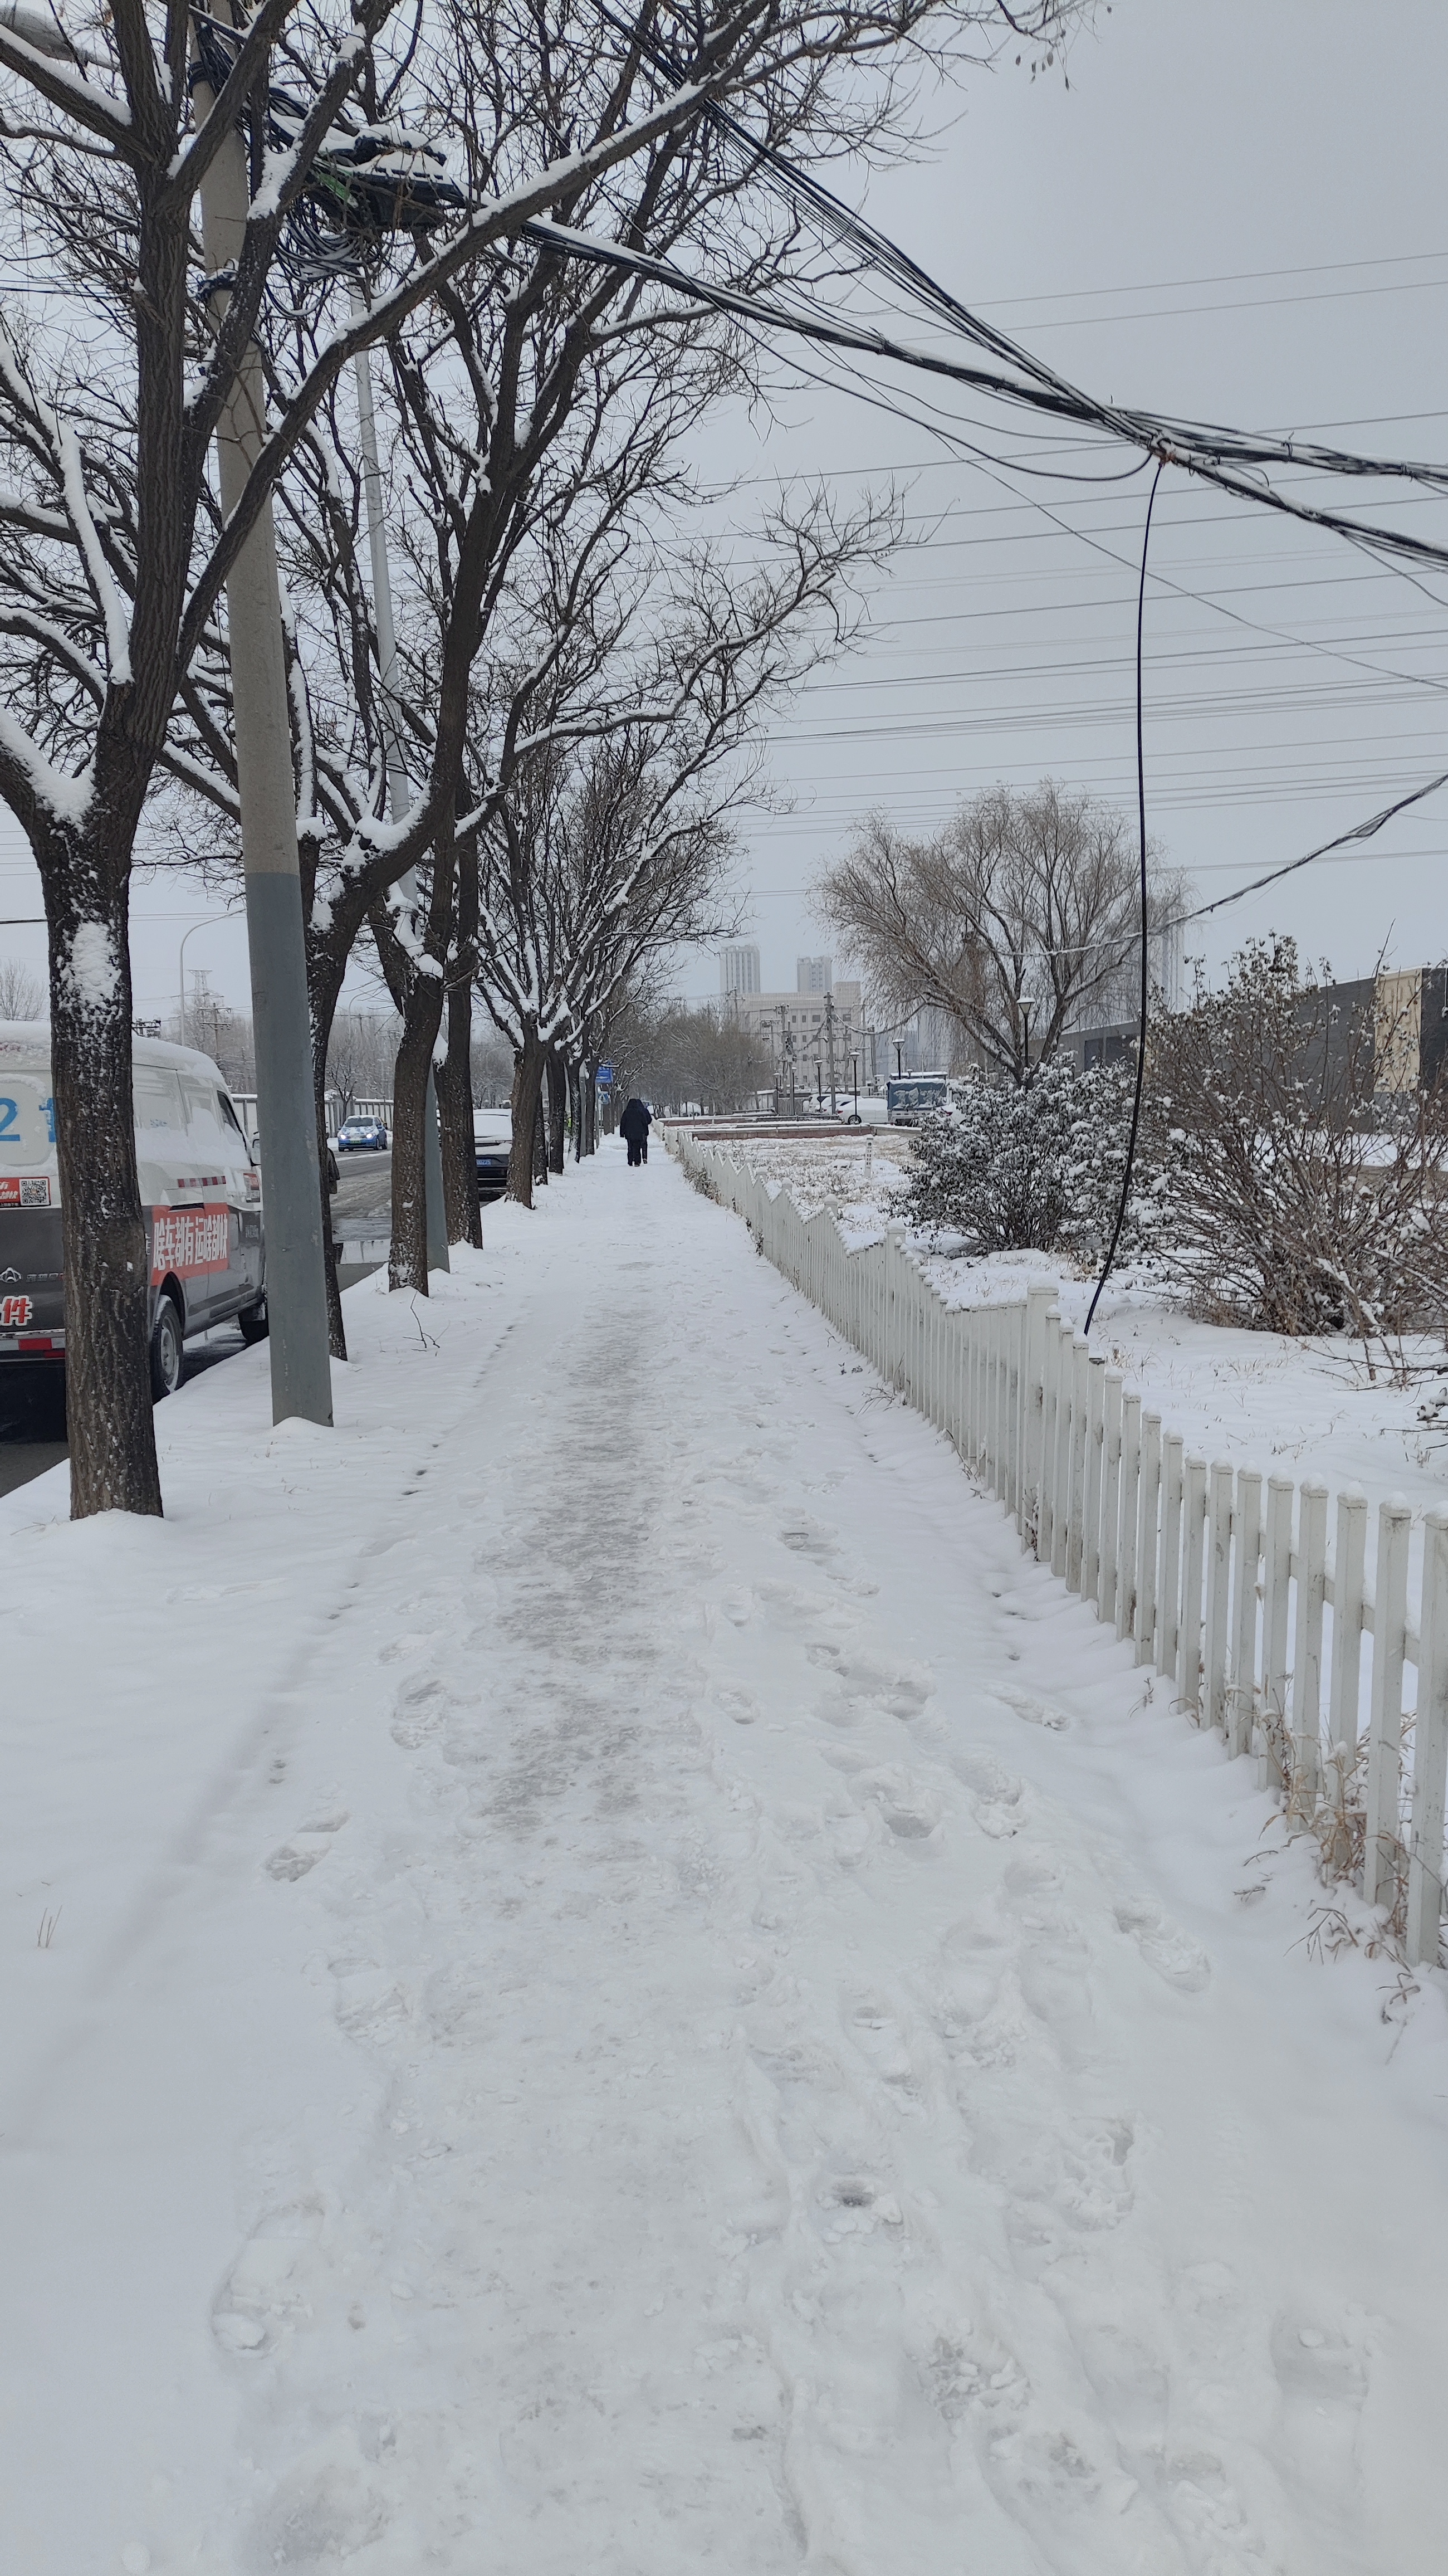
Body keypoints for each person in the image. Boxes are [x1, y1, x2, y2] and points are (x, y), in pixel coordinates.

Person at [619, 1095, 653, 1167]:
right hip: (639, 1133)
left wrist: (622, 1133)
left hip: (629, 1133)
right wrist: (646, 1131)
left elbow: (623, 1123)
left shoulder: (626, 1112)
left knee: (630, 1147)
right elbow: (644, 1122)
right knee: (637, 1147)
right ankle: (637, 1161)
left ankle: (630, 1160)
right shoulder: (640, 1113)